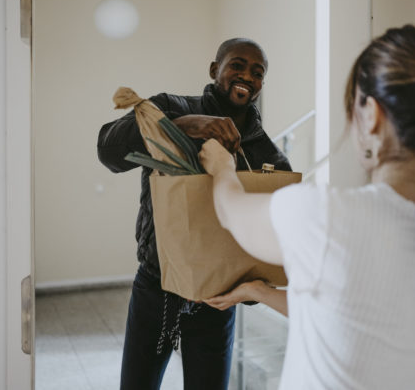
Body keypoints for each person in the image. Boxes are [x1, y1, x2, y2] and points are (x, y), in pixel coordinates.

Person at [199, 25, 415, 389]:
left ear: (372, 114)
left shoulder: (326, 216)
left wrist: (222, 168)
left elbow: (229, 210)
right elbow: (349, 319)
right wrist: (258, 292)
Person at [97, 38, 291, 390]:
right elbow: (107, 149)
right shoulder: (168, 108)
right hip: (156, 286)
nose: (247, 75)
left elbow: (271, 237)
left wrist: (247, 290)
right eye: (237, 65)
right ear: (215, 69)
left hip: (217, 304)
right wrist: (184, 125)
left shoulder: (269, 157)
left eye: (257, 72)